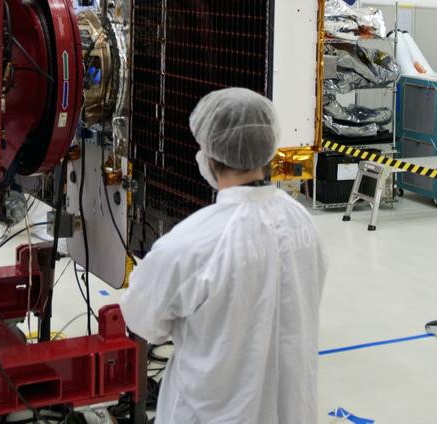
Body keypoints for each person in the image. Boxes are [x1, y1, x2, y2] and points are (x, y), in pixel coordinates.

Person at [121, 88, 328, 424]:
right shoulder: (303, 224)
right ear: (268, 148)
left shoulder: (191, 244)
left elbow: (143, 320)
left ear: (211, 156)